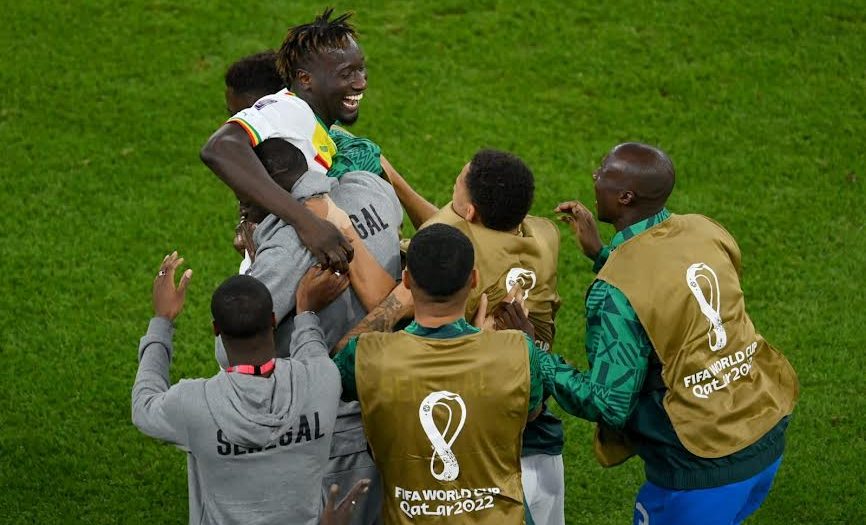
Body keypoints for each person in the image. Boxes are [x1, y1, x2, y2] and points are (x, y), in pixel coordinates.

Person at [551, 143, 799, 524]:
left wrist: (534, 357)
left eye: (604, 172)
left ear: (625, 197)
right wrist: (605, 256)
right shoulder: (705, 229)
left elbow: (609, 403)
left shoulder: (613, 293)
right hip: (766, 425)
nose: (595, 177)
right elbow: (686, 299)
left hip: (703, 469)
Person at [219, 138, 402, 524]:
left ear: (271, 185)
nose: (244, 208)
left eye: (248, 195)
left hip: (331, 431)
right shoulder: (372, 188)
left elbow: (231, 349)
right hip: (390, 407)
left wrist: (256, 260)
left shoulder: (288, 244)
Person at [312, 224, 546, 524]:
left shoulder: (366, 355)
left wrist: (393, 306)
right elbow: (532, 412)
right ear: (474, 279)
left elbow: (326, 377)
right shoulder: (518, 351)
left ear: (407, 280)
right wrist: (488, 343)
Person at [379, 151, 566, 524]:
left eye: (457, 185)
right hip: (540, 438)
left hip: (483, 444)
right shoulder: (544, 235)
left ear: (469, 212)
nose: (454, 186)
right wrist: (396, 181)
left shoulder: (463, 263)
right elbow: (449, 232)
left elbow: (431, 250)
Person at [131, 253, 347, 524]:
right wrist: (306, 313)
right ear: (272, 320)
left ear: (216, 330)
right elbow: (311, 349)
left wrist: (162, 320)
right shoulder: (324, 379)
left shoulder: (195, 405)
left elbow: (143, 405)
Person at [201, 9, 372, 272]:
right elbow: (219, 148)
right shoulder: (289, 108)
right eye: (346, 73)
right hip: (272, 281)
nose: (361, 83)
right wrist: (308, 223)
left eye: (361, 69)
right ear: (305, 79)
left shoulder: (316, 124)